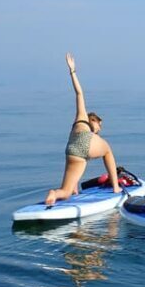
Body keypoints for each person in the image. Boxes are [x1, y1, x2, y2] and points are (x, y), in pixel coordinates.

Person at [45, 53, 121, 207]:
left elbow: (78, 93)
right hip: (82, 143)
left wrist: (71, 71)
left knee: (65, 192)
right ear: (94, 120)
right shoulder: (84, 116)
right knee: (107, 150)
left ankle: (57, 193)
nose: (99, 129)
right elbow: (79, 92)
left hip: (71, 149)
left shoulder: (77, 120)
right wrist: (73, 71)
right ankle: (116, 187)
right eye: (100, 126)